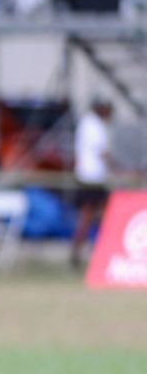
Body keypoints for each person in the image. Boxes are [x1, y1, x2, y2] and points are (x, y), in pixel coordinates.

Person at [72, 98, 117, 270]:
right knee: (89, 218)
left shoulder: (92, 124)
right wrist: (119, 166)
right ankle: (78, 256)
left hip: (95, 178)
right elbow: (103, 152)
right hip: (91, 179)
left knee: (102, 217)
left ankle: (99, 254)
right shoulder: (92, 125)